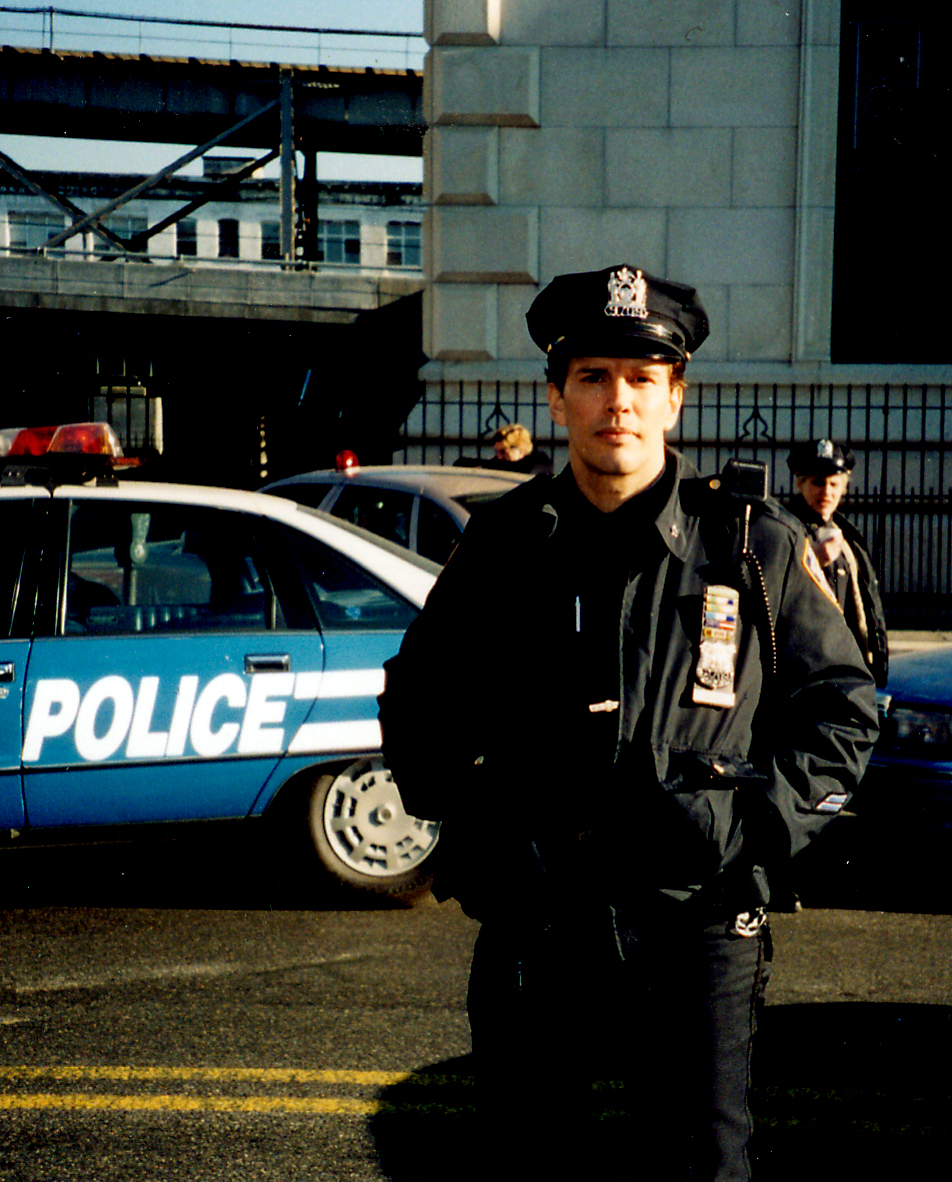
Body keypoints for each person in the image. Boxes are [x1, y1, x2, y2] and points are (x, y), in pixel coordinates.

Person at [379, 264, 879, 1182]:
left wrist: (756, 830)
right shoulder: (505, 543)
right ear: (557, 396)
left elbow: (842, 707)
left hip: (697, 926)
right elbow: (416, 701)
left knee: (699, 1168)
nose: (619, 401)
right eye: (594, 377)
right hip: (539, 925)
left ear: (675, 399)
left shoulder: (751, 544)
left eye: (643, 379)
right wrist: (481, 834)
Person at [784, 439, 891, 677]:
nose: (827, 492)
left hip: (844, 659)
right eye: (818, 483)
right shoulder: (785, 529)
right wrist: (813, 561)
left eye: (834, 484)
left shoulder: (847, 536)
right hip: (806, 664)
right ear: (800, 484)